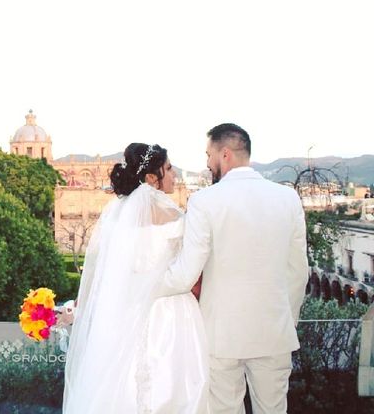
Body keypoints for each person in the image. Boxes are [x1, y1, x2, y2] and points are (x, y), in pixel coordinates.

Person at [158, 123, 308, 413]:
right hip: (274, 333)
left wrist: (142, 285)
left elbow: (186, 273)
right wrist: (285, 321)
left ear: (224, 154)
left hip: (220, 335)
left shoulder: (204, 201)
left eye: (208, 154)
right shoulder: (288, 199)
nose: (206, 162)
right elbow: (298, 272)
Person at [63, 143, 209, 414]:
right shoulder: (171, 213)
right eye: (168, 168)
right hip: (170, 312)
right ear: (152, 177)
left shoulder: (116, 213)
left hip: (125, 311)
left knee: (122, 385)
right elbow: (190, 265)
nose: (174, 173)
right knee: (175, 387)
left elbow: (102, 271)